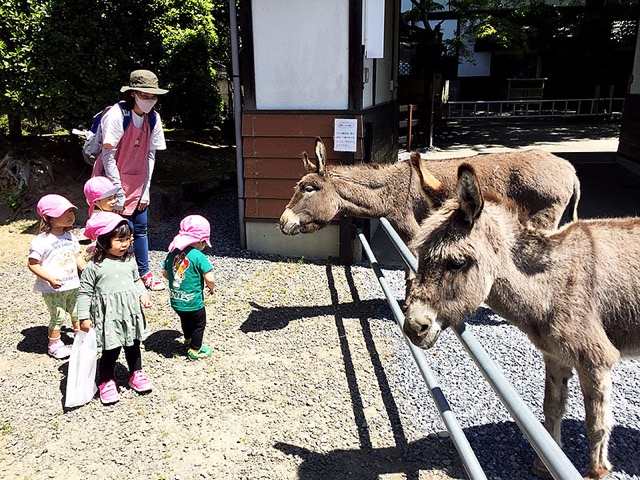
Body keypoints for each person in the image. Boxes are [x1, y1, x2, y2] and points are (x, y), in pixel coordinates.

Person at [91, 69, 169, 291]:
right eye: (145, 95)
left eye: (153, 96)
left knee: (141, 229)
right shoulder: (117, 115)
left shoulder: (153, 118)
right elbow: (108, 154)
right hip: (113, 181)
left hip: (138, 181)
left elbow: (151, 154)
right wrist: (117, 190)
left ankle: (143, 272)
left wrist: (146, 190)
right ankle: (112, 273)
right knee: (117, 230)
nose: (150, 100)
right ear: (133, 93)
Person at [78, 212, 152, 405]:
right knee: (110, 350)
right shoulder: (94, 267)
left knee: (133, 345)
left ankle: (136, 373)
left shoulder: (129, 260)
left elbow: (136, 280)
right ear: (103, 240)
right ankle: (106, 381)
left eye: (128, 239)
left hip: (130, 313)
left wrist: (143, 293)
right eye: (120, 240)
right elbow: (84, 293)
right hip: (108, 316)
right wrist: (83, 316)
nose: (125, 244)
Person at [28, 194, 86, 359]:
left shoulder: (70, 237)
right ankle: (54, 344)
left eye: (71, 211)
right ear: (47, 217)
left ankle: (80, 338)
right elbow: (33, 263)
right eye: (63, 213)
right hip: (53, 289)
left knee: (77, 312)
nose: (70, 216)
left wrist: (88, 271)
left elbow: (77, 257)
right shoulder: (42, 241)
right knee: (58, 315)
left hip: (73, 284)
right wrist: (50, 279)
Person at [162, 215, 215, 360]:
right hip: (193, 301)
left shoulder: (173, 252)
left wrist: (176, 280)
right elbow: (209, 277)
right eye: (204, 243)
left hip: (176, 300)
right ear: (200, 241)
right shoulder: (198, 256)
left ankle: (187, 340)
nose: (204, 247)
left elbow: (165, 273)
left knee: (185, 319)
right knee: (199, 323)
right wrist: (211, 287)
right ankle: (195, 349)